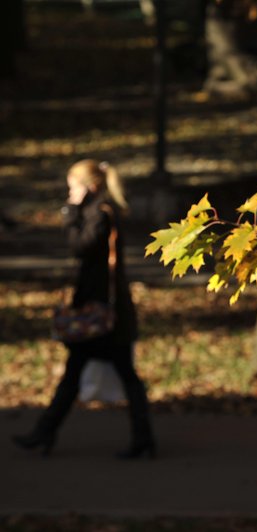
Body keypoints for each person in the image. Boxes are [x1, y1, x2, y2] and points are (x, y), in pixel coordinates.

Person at [12, 159, 155, 459]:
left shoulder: (100, 215)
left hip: (103, 312)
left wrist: (69, 213)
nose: (70, 194)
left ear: (90, 186)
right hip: (101, 310)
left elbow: (80, 247)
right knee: (90, 372)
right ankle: (47, 431)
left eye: (73, 187)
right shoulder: (99, 212)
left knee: (91, 373)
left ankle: (47, 431)